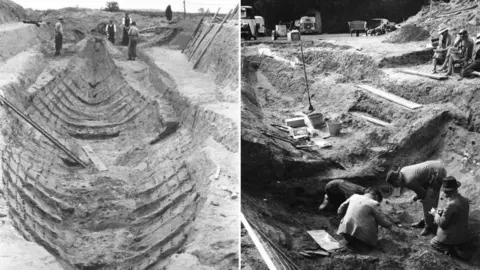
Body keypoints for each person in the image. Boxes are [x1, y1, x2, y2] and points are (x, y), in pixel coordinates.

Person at [385, 160, 446, 236]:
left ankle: (429, 227)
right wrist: (418, 195)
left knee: (428, 202)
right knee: (427, 199)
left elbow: (423, 194)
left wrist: (417, 196)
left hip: (437, 173)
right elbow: (420, 182)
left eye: (395, 185)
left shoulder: (408, 181)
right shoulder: (403, 170)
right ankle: (424, 220)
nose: (397, 187)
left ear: (397, 180)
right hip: (434, 167)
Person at [336, 188, 401, 250]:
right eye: (378, 200)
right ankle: (361, 244)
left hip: (345, 230)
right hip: (363, 237)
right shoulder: (373, 203)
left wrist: (344, 218)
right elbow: (382, 221)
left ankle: (350, 242)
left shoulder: (354, 196)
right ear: (376, 196)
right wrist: (391, 227)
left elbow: (340, 209)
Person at [430, 176, 472, 260]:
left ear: (450, 191)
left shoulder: (451, 204)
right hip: (462, 235)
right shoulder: (465, 200)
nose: (445, 194)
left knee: (433, 242)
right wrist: (443, 211)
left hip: (451, 236)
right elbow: (456, 215)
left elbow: (442, 224)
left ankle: (450, 250)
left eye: (445, 191)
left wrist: (435, 214)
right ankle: (457, 246)